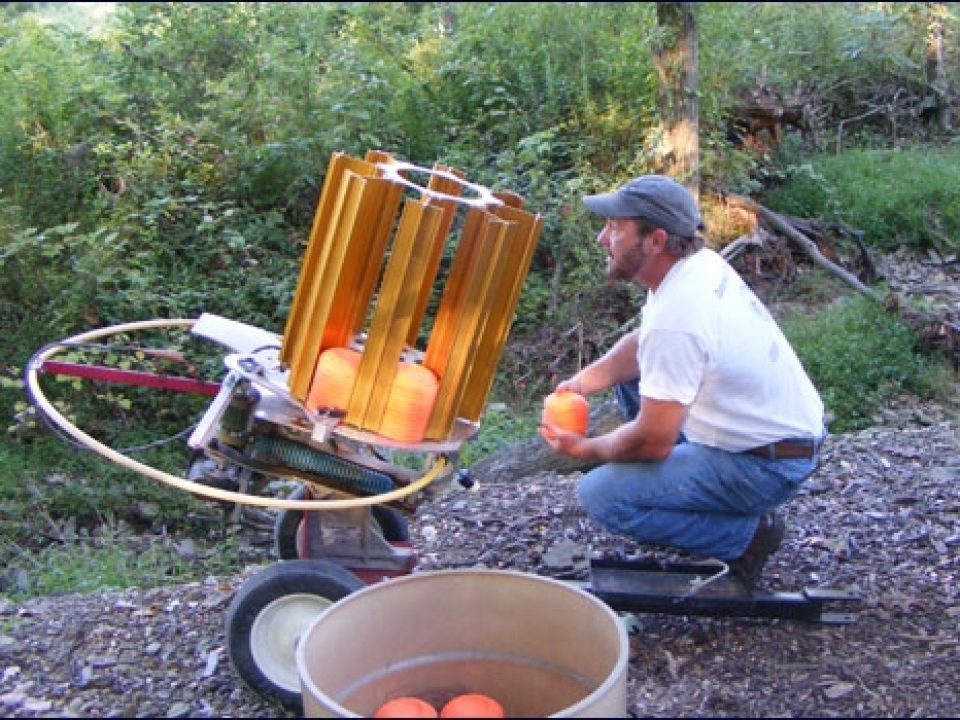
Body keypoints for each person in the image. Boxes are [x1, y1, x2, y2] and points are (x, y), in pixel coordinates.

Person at [540, 175, 826, 588]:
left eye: (616, 228)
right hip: (782, 437)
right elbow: (641, 345)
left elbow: (651, 440)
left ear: (655, 240)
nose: (603, 238)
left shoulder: (679, 317)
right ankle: (676, 484)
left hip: (765, 465)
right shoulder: (694, 266)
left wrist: (584, 448)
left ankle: (748, 537)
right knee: (631, 383)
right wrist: (582, 383)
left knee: (600, 495)